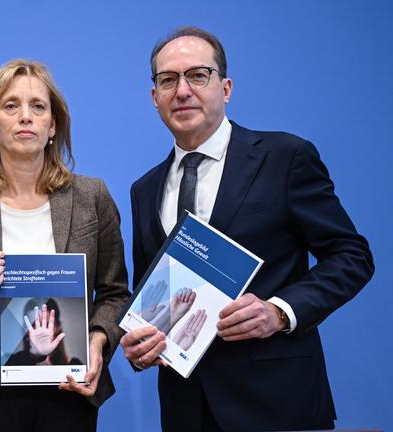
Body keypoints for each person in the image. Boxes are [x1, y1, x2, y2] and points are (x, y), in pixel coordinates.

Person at [120, 26, 374, 431]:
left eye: (198, 75)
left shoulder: (285, 157)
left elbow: (352, 256)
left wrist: (280, 312)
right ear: (155, 98)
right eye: (168, 80)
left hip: (276, 402)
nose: (182, 91)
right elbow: (149, 294)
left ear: (226, 88)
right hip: (186, 410)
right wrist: (140, 343)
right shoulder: (144, 189)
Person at [0, 59, 132, 431]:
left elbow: (115, 293)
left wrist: (98, 340)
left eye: (38, 107)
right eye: (11, 106)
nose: (26, 117)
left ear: (53, 125)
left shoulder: (92, 197)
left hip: (68, 380)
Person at [5, 299, 84, 366]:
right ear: (25, 329)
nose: (39, 332)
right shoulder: (10, 362)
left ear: (57, 327)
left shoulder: (75, 365)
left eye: (46, 324)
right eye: (33, 325)